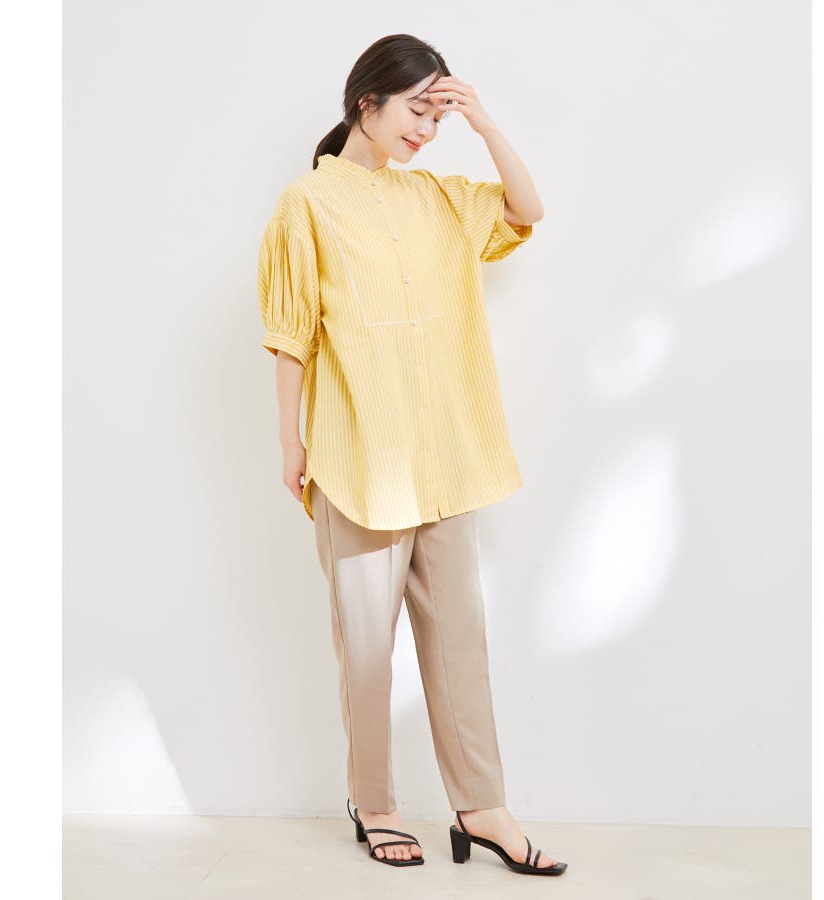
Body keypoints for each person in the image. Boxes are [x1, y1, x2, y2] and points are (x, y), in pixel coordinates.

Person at [256, 34, 566, 876]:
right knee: (366, 651)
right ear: (368, 103)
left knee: (461, 643)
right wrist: (290, 442)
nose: (427, 131)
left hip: (448, 457)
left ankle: (482, 806)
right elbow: (291, 333)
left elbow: (527, 210)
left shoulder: (439, 198)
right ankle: (376, 804)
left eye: (439, 115)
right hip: (359, 457)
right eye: (417, 111)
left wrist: (484, 122)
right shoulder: (307, 204)